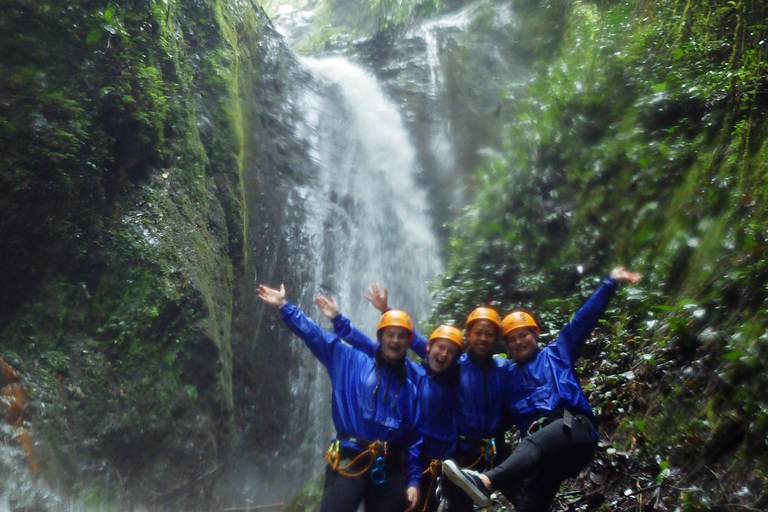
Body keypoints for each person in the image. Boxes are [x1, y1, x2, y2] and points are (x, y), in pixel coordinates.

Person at [442, 266, 643, 512]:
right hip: (545, 455)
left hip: (572, 428)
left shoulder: (558, 352)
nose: (518, 342)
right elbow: (489, 410)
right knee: (528, 505)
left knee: (531, 444)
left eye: (523, 335)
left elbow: (584, 319)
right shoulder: (508, 376)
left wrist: (610, 282)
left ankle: (485, 482)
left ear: (535, 335)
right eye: (512, 339)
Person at [257, 283, 422, 512]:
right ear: (380, 338)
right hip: (349, 458)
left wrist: (414, 482)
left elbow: (415, 439)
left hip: (388, 466)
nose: (395, 341)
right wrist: (285, 307)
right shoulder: (351, 361)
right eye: (390, 335)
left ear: (408, 342)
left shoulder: (411, 387)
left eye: (401, 337)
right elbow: (315, 335)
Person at [366, 284, 509, 512]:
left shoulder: (477, 369)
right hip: (416, 455)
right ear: (469, 334)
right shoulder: (441, 368)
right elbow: (414, 343)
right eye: (478, 332)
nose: (444, 355)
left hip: (453, 457)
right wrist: (387, 311)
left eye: (489, 333)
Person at [316, 294, 462, 512]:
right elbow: (384, 346)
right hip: (403, 459)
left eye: (451, 352)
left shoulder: (456, 382)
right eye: (440, 348)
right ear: (428, 348)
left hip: (434, 463)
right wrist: (340, 320)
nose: (444, 354)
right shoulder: (411, 374)